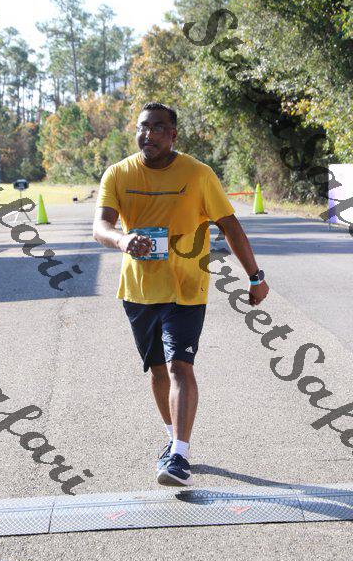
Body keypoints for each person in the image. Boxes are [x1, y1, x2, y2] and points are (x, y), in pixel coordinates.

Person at [93, 102, 269, 487]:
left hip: (186, 289)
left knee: (179, 366)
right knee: (158, 369)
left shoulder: (198, 174)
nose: (149, 134)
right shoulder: (118, 173)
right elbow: (101, 226)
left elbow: (230, 225)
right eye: (143, 127)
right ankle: (173, 439)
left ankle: (179, 456)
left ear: (173, 135)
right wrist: (122, 240)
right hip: (138, 290)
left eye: (159, 128)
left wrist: (255, 277)